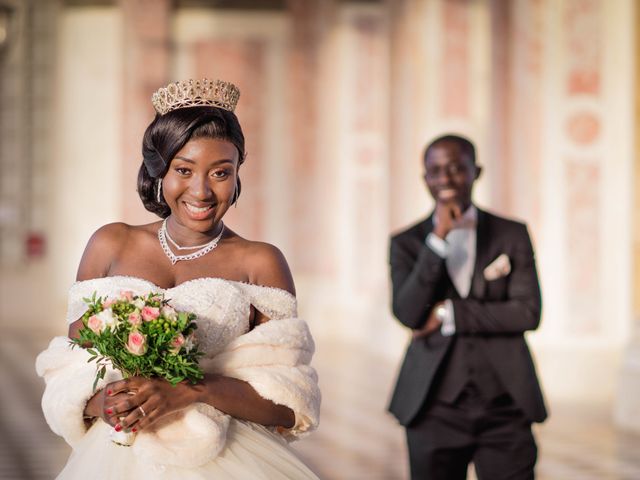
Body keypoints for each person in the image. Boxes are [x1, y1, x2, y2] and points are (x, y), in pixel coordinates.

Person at [36, 79, 320, 479]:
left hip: (226, 458)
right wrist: (102, 403)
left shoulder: (260, 261)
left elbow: (289, 402)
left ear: (238, 172)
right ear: (159, 172)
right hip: (114, 458)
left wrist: (188, 391)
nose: (201, 191)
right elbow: (71, 367)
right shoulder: (110, 244)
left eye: (221, 172)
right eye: (183, 170)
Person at [387, 134, 547, 480]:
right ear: (425, 178)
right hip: (433, 409)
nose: (446, 179)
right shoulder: (406, 242)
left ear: (476, 172)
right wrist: (438, 240)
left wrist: (449, 313)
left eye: (457, 168)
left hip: (506, 406)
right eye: (436, 170)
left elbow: (527, 312)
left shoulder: (511, 234)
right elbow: (408, 313)